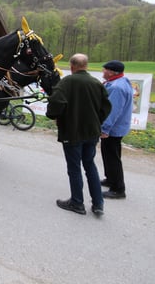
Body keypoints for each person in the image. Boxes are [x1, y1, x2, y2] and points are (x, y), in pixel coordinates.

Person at [46, 53, 111, 216]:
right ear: (86, 66)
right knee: (90, 165)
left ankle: (77, 203)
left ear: (72, 66)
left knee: (74, 168)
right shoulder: (96, 83)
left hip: (72, 132)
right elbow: (106, 107)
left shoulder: (66, 82)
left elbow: (56, 102)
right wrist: (97, 121)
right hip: (92, 132)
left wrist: (54, 115)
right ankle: (98, 204)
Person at [100, 60, 133, 199]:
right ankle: (110, 179)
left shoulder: (117, 88)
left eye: (105, 69)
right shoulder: (120, 81)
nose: (103, 72)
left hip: (114, 128)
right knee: (108, 154)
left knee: (112, 157)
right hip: (117, 126)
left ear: (112, 72)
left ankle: (118, 189)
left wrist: (105, 129)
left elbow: (112, 111)